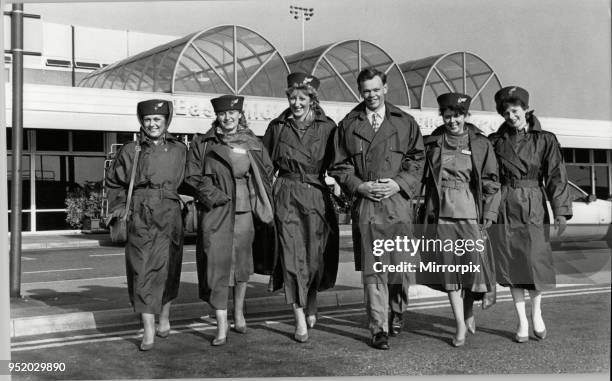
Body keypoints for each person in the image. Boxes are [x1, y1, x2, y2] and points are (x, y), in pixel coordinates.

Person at [329, 68, 425, 350]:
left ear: (386, 88)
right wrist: (359, 187)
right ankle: (378, 327)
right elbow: (339, 166)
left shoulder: (405, 123)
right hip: (367, 206)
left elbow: (417, 161)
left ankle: (397, 311)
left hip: (397, 204)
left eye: (375, 89)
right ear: (360, 91)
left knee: (400, 268)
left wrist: (398, 184)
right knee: (374, 269)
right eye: (365, 91)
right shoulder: (348, 124)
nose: (371, 95)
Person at [184, 94, 276, 346]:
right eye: (223, 114)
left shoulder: (252, 142)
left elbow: (266, 173)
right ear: (217, 116)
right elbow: (191, 176)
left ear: (239, 115)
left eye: (232, 113)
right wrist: (216, 196)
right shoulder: (202, 142)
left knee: (242, 265)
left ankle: (239, 313)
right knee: (217, 265)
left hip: (245, 211)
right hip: (215, 210)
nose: (227, 118)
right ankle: (221, 325)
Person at [488, 86, 572, 342]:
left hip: (535, 203)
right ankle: (522, 321)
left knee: (535, 262)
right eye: (505, 112)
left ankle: (537, 313)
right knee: (511, 263)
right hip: (505, 205)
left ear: (525, 109)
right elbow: (489, 178)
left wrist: (560, 211)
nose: (510, 116)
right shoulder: (495, 141)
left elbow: (556, 176)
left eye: (514, 111)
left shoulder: (545, 139)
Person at [418, 93, 500, 347]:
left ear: (465, 116)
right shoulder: (431, 143)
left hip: (470, 212)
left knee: (470, 267)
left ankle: (469, 311)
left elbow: (491, 183)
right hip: (440, 212)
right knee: (450, 269)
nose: (452, 121)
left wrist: (489, 214)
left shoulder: (480, 144)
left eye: (457, 115)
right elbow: (416, 175)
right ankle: (460, 325)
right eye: (447, 115)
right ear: (442, 116)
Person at [262, 73, 339, 343]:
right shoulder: (277, 127)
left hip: (317, 195)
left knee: (316, 256)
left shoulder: (328, 127)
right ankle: (298, 318)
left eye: (302, 98)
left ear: (312, 100)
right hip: (286, 194)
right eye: (292, 97)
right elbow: (264, 164)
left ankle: (312, 297)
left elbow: (339, 163)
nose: (296, 103)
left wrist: (342, 184)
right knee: (292, 256)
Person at [105, 99, 187, 351]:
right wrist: (120, 208)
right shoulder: (131, 150)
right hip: (139, 212)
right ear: (142, 121)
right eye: (148, 119)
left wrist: (186, 198)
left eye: (157, 119)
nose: (152, 124)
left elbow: (191, 180)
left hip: (170, 213)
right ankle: (148, 329)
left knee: (168, 267)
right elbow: (114, 183)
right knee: (140, 270)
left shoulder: (180, 150)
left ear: (166, 121)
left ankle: (164, 318)